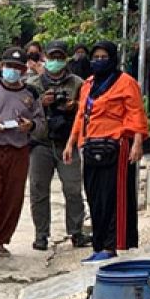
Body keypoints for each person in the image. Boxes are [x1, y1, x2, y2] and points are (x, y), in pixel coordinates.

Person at [64, 41, 148, 263]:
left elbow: (136, 114)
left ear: (112, 58)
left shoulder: (126, 83)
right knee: (94, 196)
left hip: (116, 146)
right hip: (91, 146)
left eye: (104, 57)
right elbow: (81, 115)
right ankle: (99, 244)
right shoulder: (88, 84)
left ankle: (112, 246)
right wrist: (71, 142)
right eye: (96, 57)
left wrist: (138, 142)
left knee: (113, 197)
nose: (99, 61)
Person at [0, 47, 43, 259]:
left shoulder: (31, 93)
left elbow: (40, 123)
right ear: (1, 67)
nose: (13, 71)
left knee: (13, 197)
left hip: (19, 150)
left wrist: (29, 126)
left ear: (24, 70)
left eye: (18, 68)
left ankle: (1, 240)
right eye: (9, 66)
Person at [25, 41, 92, 251]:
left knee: (72, 189)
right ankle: (41, 235)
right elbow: (24, 112)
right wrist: (40, 104)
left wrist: (75, 105)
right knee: (38, 190)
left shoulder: (78, 83)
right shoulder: (34, 83)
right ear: (46, 56)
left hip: (67, 143)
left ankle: (76, 232)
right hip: (41, 143)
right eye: (52, 57)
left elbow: (91, 108)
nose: (55, 61)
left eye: (59, 57)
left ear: (66, 59)